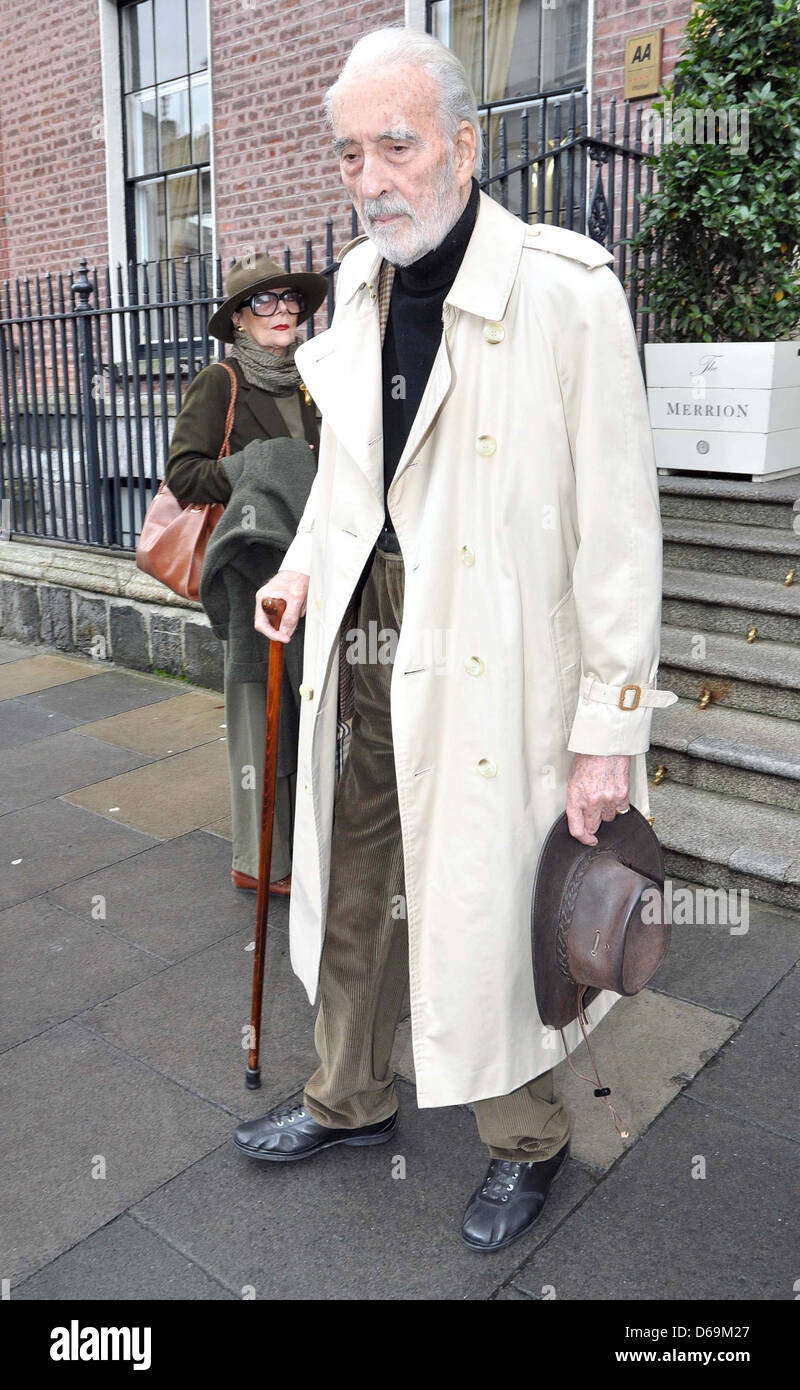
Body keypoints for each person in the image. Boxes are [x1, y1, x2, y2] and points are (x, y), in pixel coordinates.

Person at [235, 27, 674, 1252]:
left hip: (490, 658)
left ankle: (525, 1139)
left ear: (464, 146)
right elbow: (347, 482)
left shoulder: (563, 290)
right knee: (358, 876)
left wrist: (608, 731)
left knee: (489, 900)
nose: (370, 177)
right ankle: (348, 1098)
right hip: (369, 636)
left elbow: (619, 535)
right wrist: (301, 570)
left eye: (397, 144)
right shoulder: (360, 289)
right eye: (349, 154)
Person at [165, 254, 327, 895]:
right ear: (238, 317)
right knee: (259, 716)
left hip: (316, 567)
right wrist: (252, 468)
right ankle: (260, 860)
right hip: (251, 573)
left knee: (309, 713)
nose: (283, 310)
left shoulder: (315, 378)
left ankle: (310, 845)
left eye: (290, 300)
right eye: (265, 302)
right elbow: (184, 474)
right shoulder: (221, 380)